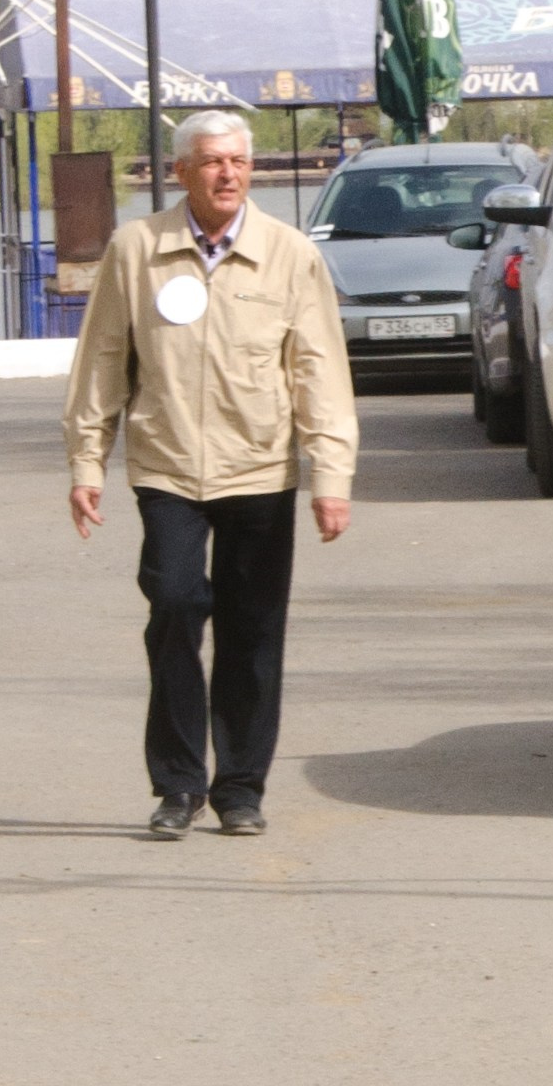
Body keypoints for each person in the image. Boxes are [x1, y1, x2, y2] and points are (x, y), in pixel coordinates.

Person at [65, 108, 357, 839]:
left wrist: (330, 476)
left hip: (259, 468)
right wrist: (87, 460)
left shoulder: (290, 254)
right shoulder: (136, 251)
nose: (228, 174)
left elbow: (319, 369)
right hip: (167, 466)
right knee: (172, 606)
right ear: (180, 172)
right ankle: (176, 785)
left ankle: (239, 788)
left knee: (252, 631)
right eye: (211, 162)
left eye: (238, 162)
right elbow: (102, 359)